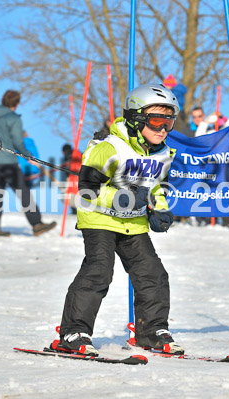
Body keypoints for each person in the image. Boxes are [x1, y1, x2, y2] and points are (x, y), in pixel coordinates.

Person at [53, 83, 183, 357]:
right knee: (99, 271)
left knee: (153, 274)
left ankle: (151, 332)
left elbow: (158, 187)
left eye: (169, 122)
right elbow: (87, 190)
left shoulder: (162, 153)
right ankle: (73, 333)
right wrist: (122, 198)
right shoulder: (109, 148)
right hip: (99, 220)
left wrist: (158, 210)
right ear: (136, 118)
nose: (163, 129)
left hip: (133, 223)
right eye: (157, 121)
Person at [0, 89, 56, 237]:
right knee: (23, 192)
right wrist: (30, 157)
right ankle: (37, 224)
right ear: (17, 103)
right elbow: (18, 142)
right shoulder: (14, 118)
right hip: (7, 161)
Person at [61, 143, 82, 214]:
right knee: (75, 195)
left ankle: (74, 211)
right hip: (80, 177)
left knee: (69, 195)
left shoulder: (69, 155)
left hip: (72, 177)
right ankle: (76, 211)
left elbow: (68, 167)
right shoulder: (79, 154)